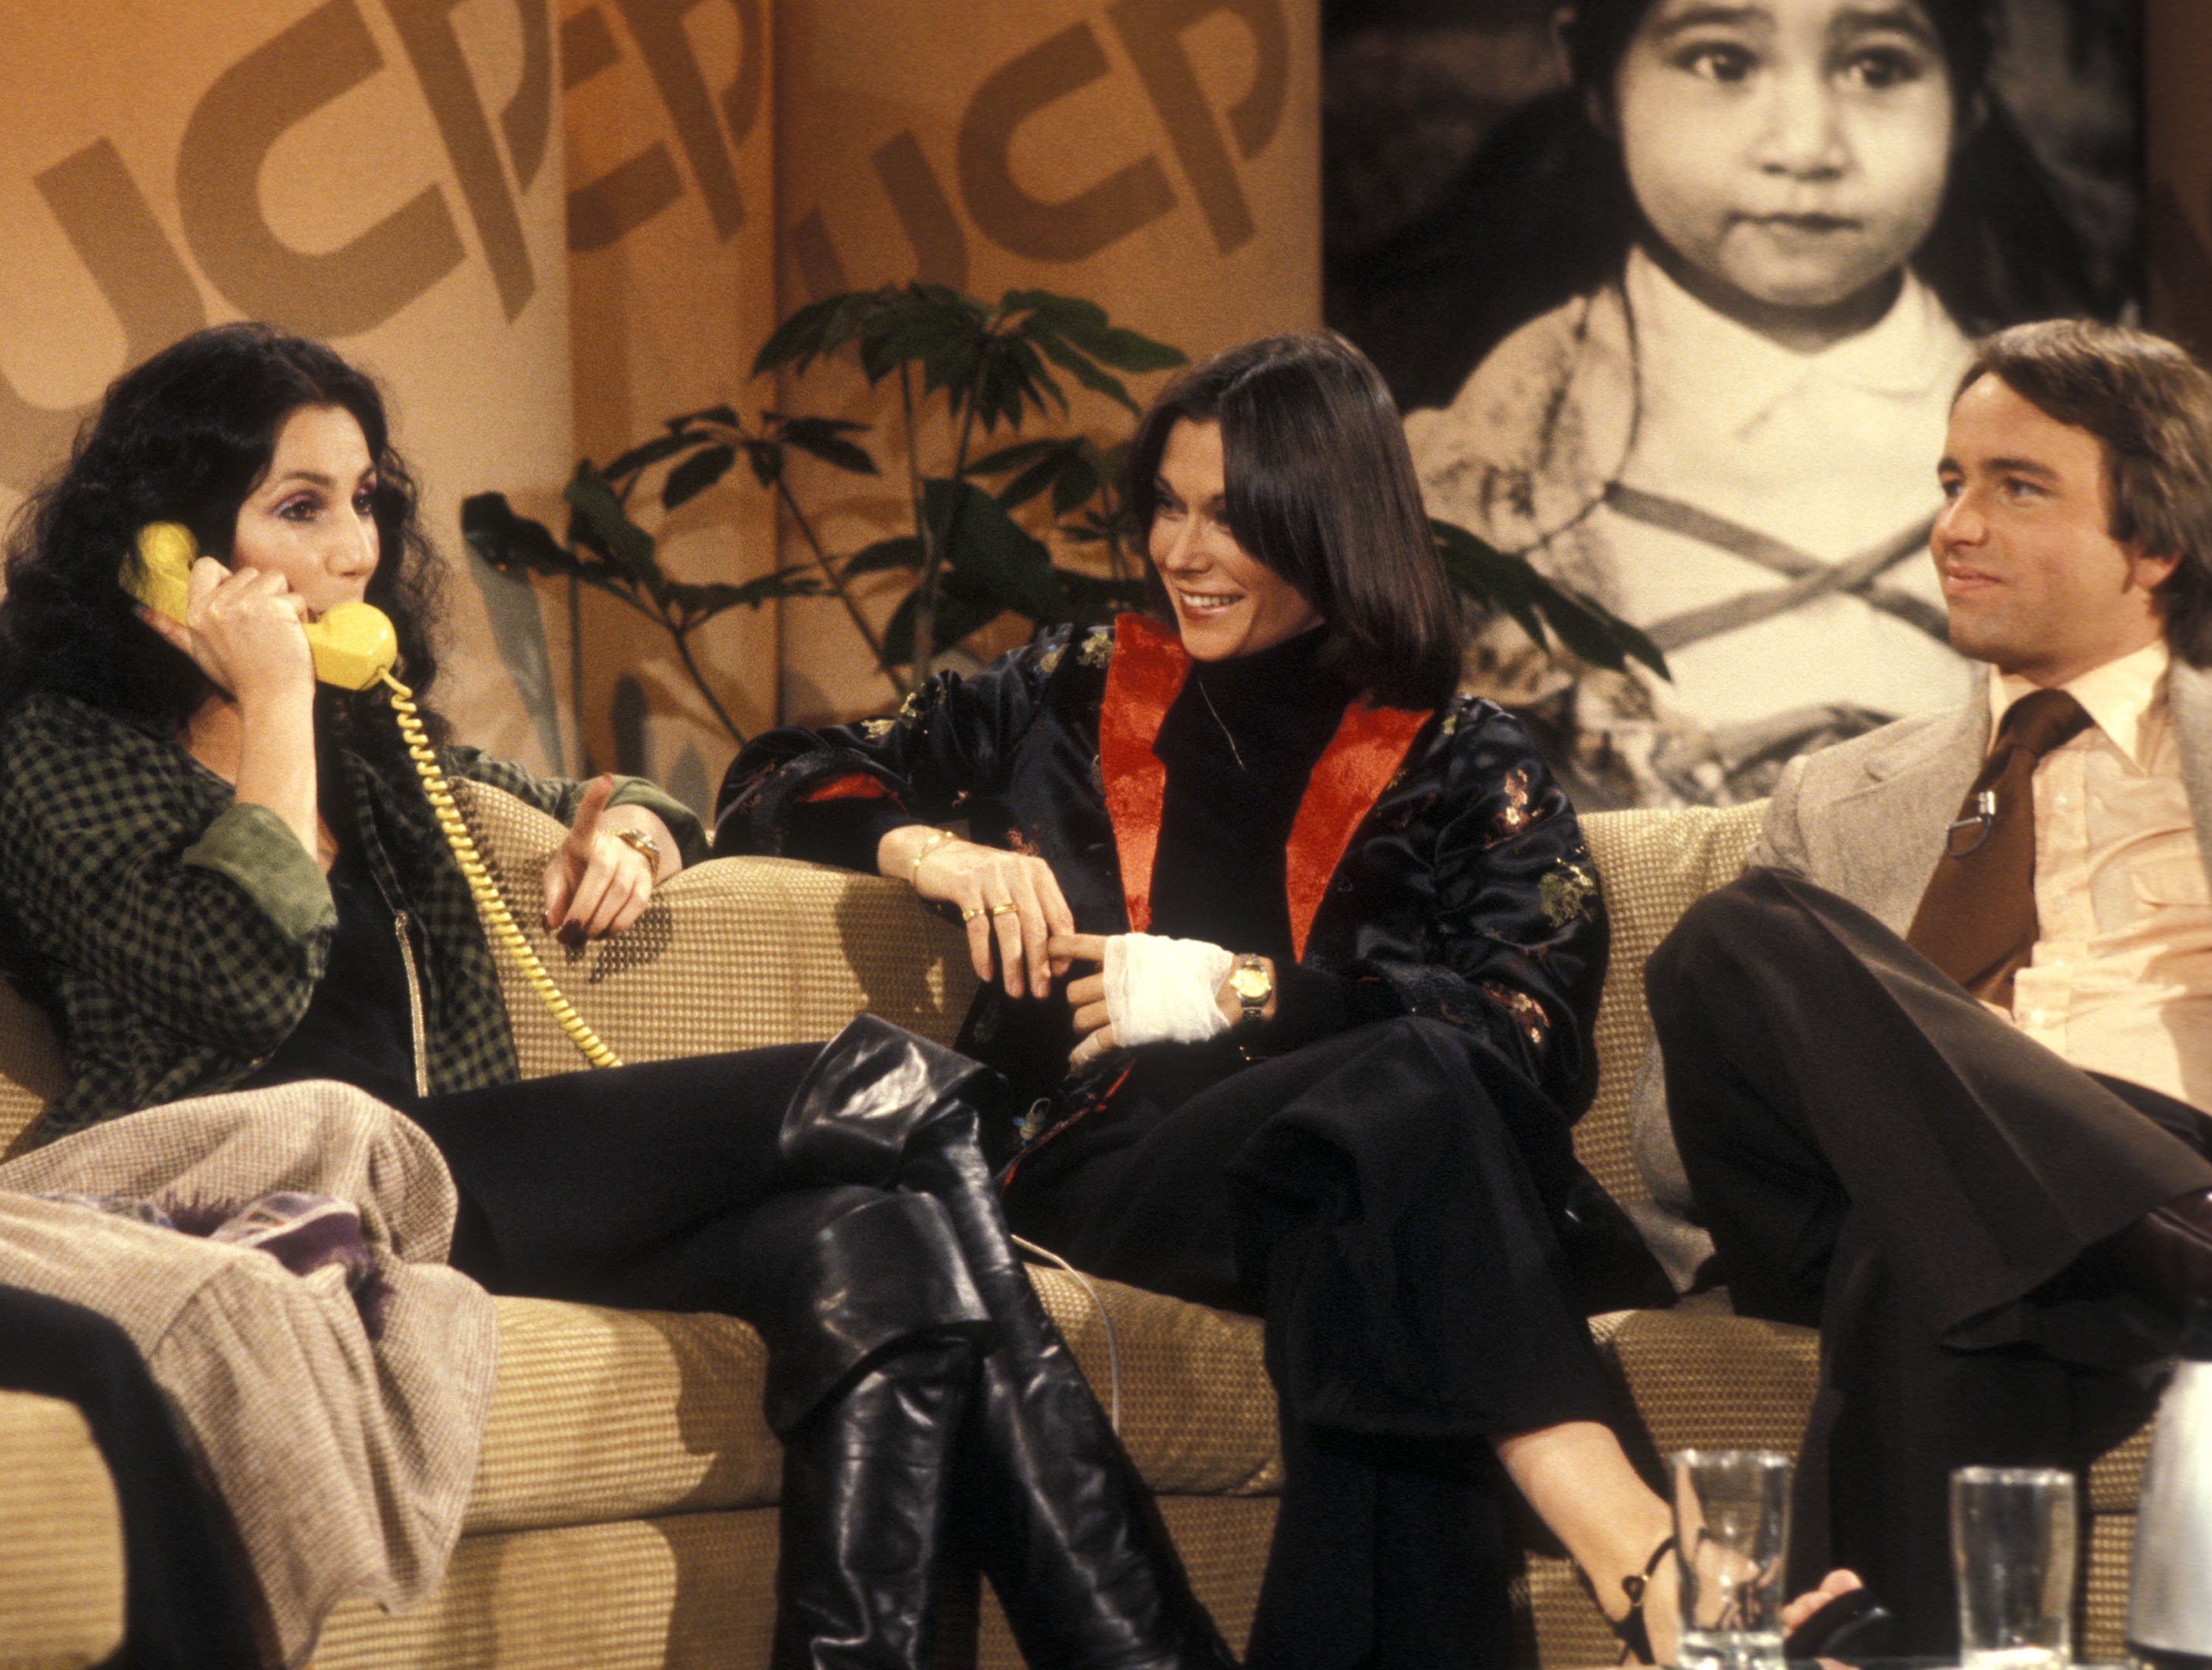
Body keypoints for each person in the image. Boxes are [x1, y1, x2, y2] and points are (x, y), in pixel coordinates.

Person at [0, 321, 1228, 1670]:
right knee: (882, 1089)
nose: (356, 548)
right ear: (169, 545)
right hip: (254, 1189)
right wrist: (276, 707)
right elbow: (244, 975)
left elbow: (613, 798)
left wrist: (634, 830)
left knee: (867, 1242)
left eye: (365, 501)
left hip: (451, 1177)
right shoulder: (57, 758)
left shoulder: (381, 746)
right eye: (300, 508)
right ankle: (1138, 1645)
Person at [717, 332, 1855, 1668]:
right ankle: (1643, 1554)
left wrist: (1234, 992)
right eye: (1171, 506)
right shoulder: (1074, 687)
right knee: (1398, 1119)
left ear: (1332, 522)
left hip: (1344, 1179)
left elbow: (1520, 1037)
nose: (1185, 552)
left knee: (1361, 1221)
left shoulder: (1465, 761)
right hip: (1114, 1176)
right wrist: (935, 848)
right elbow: (779, 775)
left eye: (1236, 518)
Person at [1642, 318, 2212, 1653]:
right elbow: (1678, 1145)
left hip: (2077, 1180)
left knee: (1934, 1249)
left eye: (2017, 486)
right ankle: (2141, 1229)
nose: (1957, 524)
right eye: (1949, 483)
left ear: (2154, 542)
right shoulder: (1841, 794)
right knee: (1741, 934)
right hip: (1849, 1199)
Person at [1396, 0, 2119, 810]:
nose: (1806, 148)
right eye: (1723, 63)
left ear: (1967, 97)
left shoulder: (2094, 439)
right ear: (1598, 79)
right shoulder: (1479, 455)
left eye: (1877, 69)